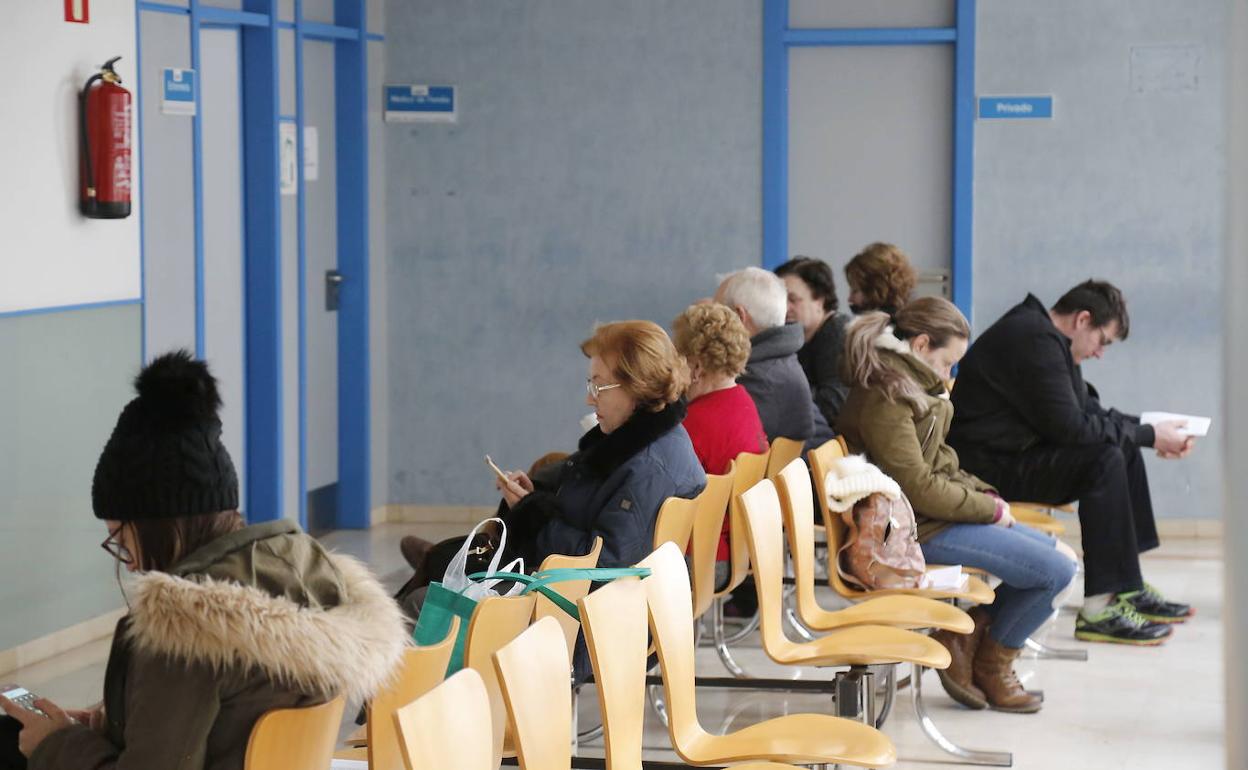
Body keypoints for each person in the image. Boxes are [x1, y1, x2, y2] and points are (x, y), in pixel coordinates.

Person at [0, 351, 406, 770]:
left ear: (161, 525)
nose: (131, 564)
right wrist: (115, 724)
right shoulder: (303, 571)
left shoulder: (184, 629)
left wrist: (56, 744)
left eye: (122, 540)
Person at [837, 298, 1077, 713]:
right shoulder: (888, 397)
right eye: (948, 363)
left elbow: (942, 464)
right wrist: (989, 511)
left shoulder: (914, 387)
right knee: (1056, 572)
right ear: (922, 344)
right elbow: (918, 486)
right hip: (916, 532)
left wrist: (985, 495)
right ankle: (991, 662)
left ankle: (966, 641)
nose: (950, 375)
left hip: (934, 518)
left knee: (1065, 559)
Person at [948, 281, 1194, 644]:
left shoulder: (1046, 338)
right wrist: (1148, 435)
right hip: (984, 470)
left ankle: (1126, 586)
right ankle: (1098, 609)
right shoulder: (1032, 340)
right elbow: (1071, 428)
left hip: (1012, 454)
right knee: (1104, 459)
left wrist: (1148, 429)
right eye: (1103, 341)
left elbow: (1086, 412)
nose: (1100, 354)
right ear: (1083, 320)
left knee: (1119, 449)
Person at [672, 302, 768, 567]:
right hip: (736, 550)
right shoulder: (744, 403)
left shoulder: (693, 424)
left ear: (697, 367)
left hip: (701, 556)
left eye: (680, 359)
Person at [712, 267, 833, 446]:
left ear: (739, 316)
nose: (711, 326)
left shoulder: (757, 379)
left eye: (717, 314)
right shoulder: (778, 360)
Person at [775, 256, 851, 426]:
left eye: (793, 299)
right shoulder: (796, 337)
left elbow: (833, 405)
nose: (785, 308)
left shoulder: (837, 332)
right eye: (781, 300)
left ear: (820, 300)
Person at [844, 242, 918, 315]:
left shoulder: (884, 325)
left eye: (855, 290)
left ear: (876, 290)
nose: (850, 299)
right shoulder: (912, 318)